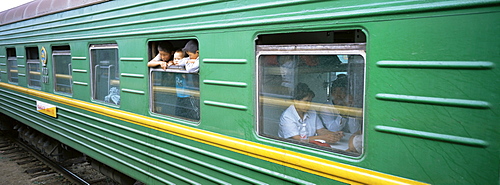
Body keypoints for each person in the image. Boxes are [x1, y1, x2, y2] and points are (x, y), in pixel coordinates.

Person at [278, 83, 344, 143]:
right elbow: (297, 139)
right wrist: (323, 138)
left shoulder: (312, 111)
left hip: (310, 146)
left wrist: (333, 134)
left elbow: (320, 130)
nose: (309, 104)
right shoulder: (287, 116)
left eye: (310, 101)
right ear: (296, 101)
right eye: (306, 101)